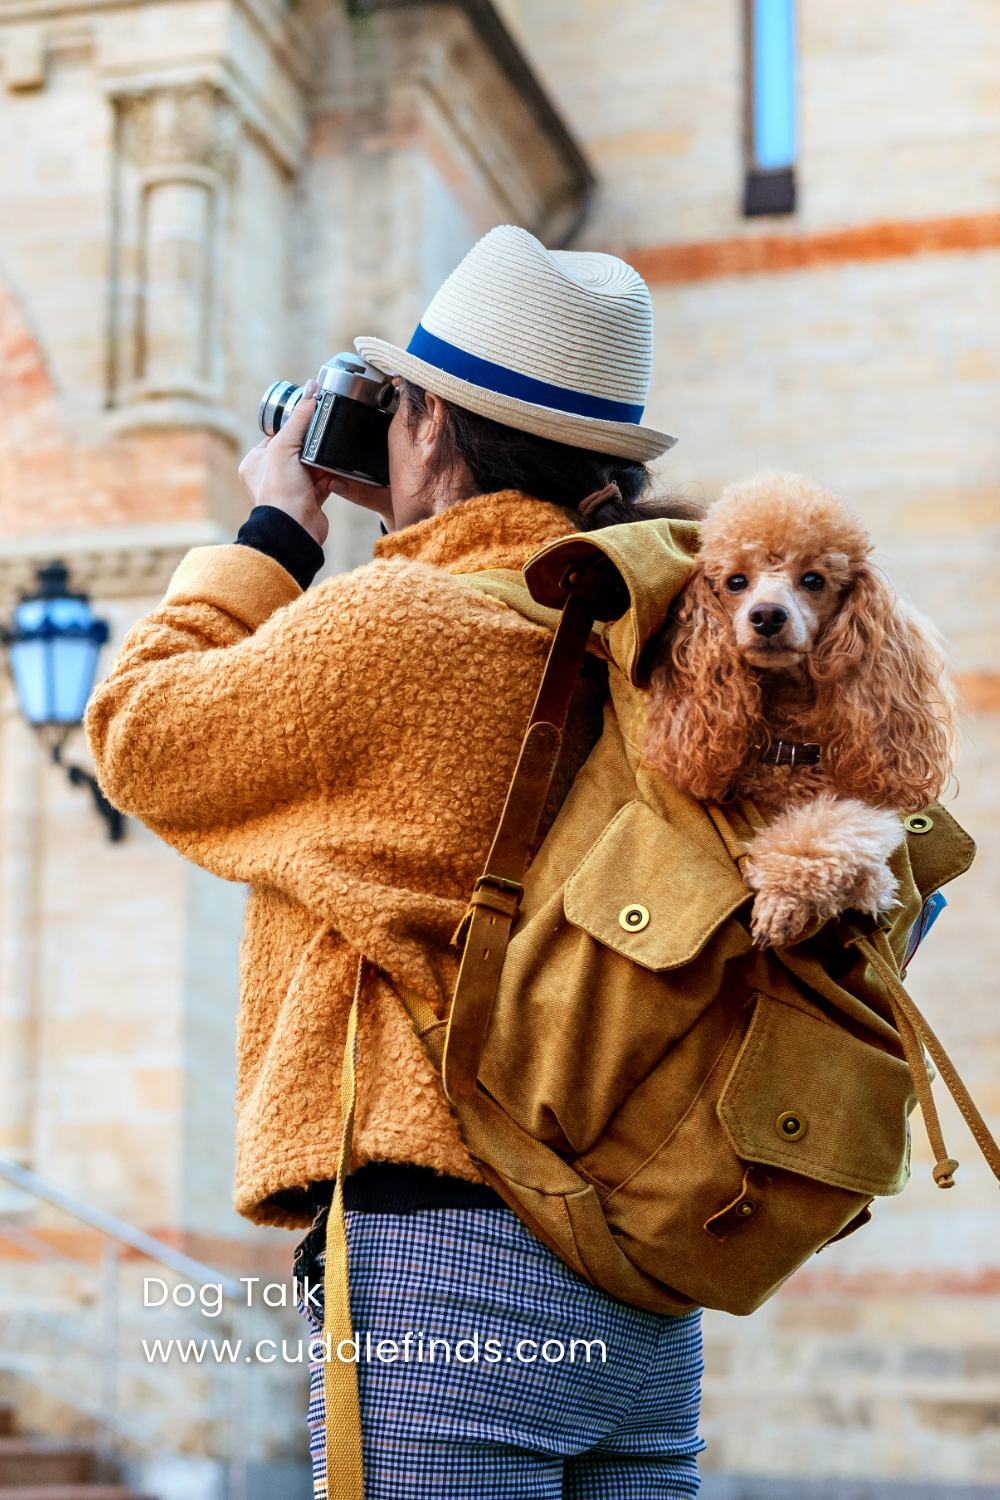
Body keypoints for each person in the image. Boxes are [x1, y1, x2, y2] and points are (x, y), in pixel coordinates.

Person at [86, 225, 705, 1498]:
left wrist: (279, 516)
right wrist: (428, 519)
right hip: (642, 1281)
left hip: (448, 1259)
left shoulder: (400, 621)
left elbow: (140, 732)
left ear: (425, 427)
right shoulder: (656, 629)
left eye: (405, 409)